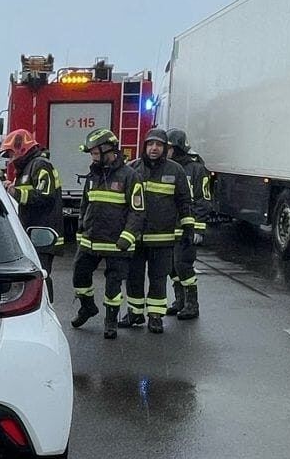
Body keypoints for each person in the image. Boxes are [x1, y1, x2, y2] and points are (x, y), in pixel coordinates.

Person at [69, 128, 144, 339]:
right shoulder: (93, 175)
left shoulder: (130, 176)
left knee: (113, 284)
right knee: (80, 275)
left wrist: (127, 237)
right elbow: (85, 205)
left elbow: (137, 211)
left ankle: (110, 321)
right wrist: (81, 229)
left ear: (107, 150)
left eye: (95, 153)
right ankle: (87, 307)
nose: (93, 157)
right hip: (91, 240)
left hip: (117, 243)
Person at [121, 128, 194, 334]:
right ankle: (135, 313)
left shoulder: (175, 170)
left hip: (162, 238)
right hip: (135, 237)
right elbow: (124, 203)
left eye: (159, 145)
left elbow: (184, 201)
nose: (154, 148)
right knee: (134, 278)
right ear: (145, 146)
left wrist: (188, 228)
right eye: (151, 144)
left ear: (165, 148)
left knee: (158, 278)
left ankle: (155, 316)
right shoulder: (133, 168)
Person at [0, 129, 64, 299]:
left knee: (42, 276)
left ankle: (48, 311)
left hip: (44, 233)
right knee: (36, 275)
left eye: (11, 153)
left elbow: (45, 196)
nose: (10, 159)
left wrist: (15, 192)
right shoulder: (27, 168)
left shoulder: (40, 165)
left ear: (22, 148)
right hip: (33, 232)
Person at [168, 128, 213, 320]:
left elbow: (203, 200)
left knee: (183, 264)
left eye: (169, 147)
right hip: (169, 227)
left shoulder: (197, 170)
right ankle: (179, 301)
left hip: (187, 227)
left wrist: (198, 228)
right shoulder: (167, 168)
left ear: (178, 148)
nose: (165, 150)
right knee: (172, 267)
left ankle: (192, 305)